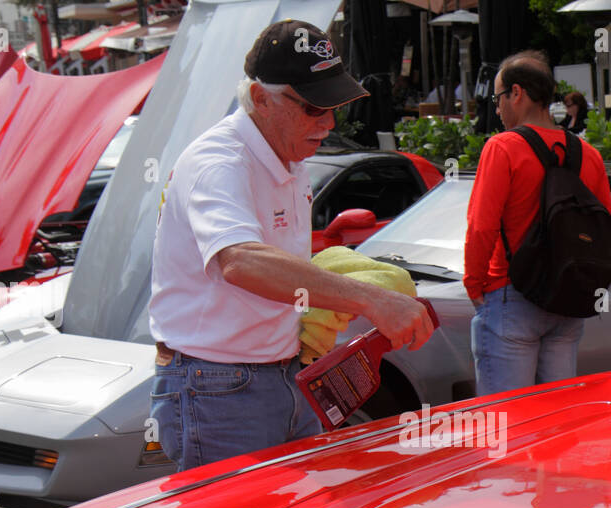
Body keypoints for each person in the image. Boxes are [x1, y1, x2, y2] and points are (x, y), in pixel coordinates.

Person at [148, 19, 433, 471]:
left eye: (334, 106)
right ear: (261, 99)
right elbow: (241, 262)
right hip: (218, 386)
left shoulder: (285, 154)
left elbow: (273, 267)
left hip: (274, 375)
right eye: (314, 108)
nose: (329, 122)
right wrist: (373, 299)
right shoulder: (219, 161)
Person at [464, 50, 611, 396]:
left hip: (511, 296)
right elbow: (604, 225)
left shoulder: (503, 147)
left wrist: (475, 285)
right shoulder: (587, 153)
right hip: (568, 299)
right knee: (554, 423)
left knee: (506, 423)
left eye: (497, 98)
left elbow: (481, 227)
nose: (497, 108)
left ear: (517, 93)